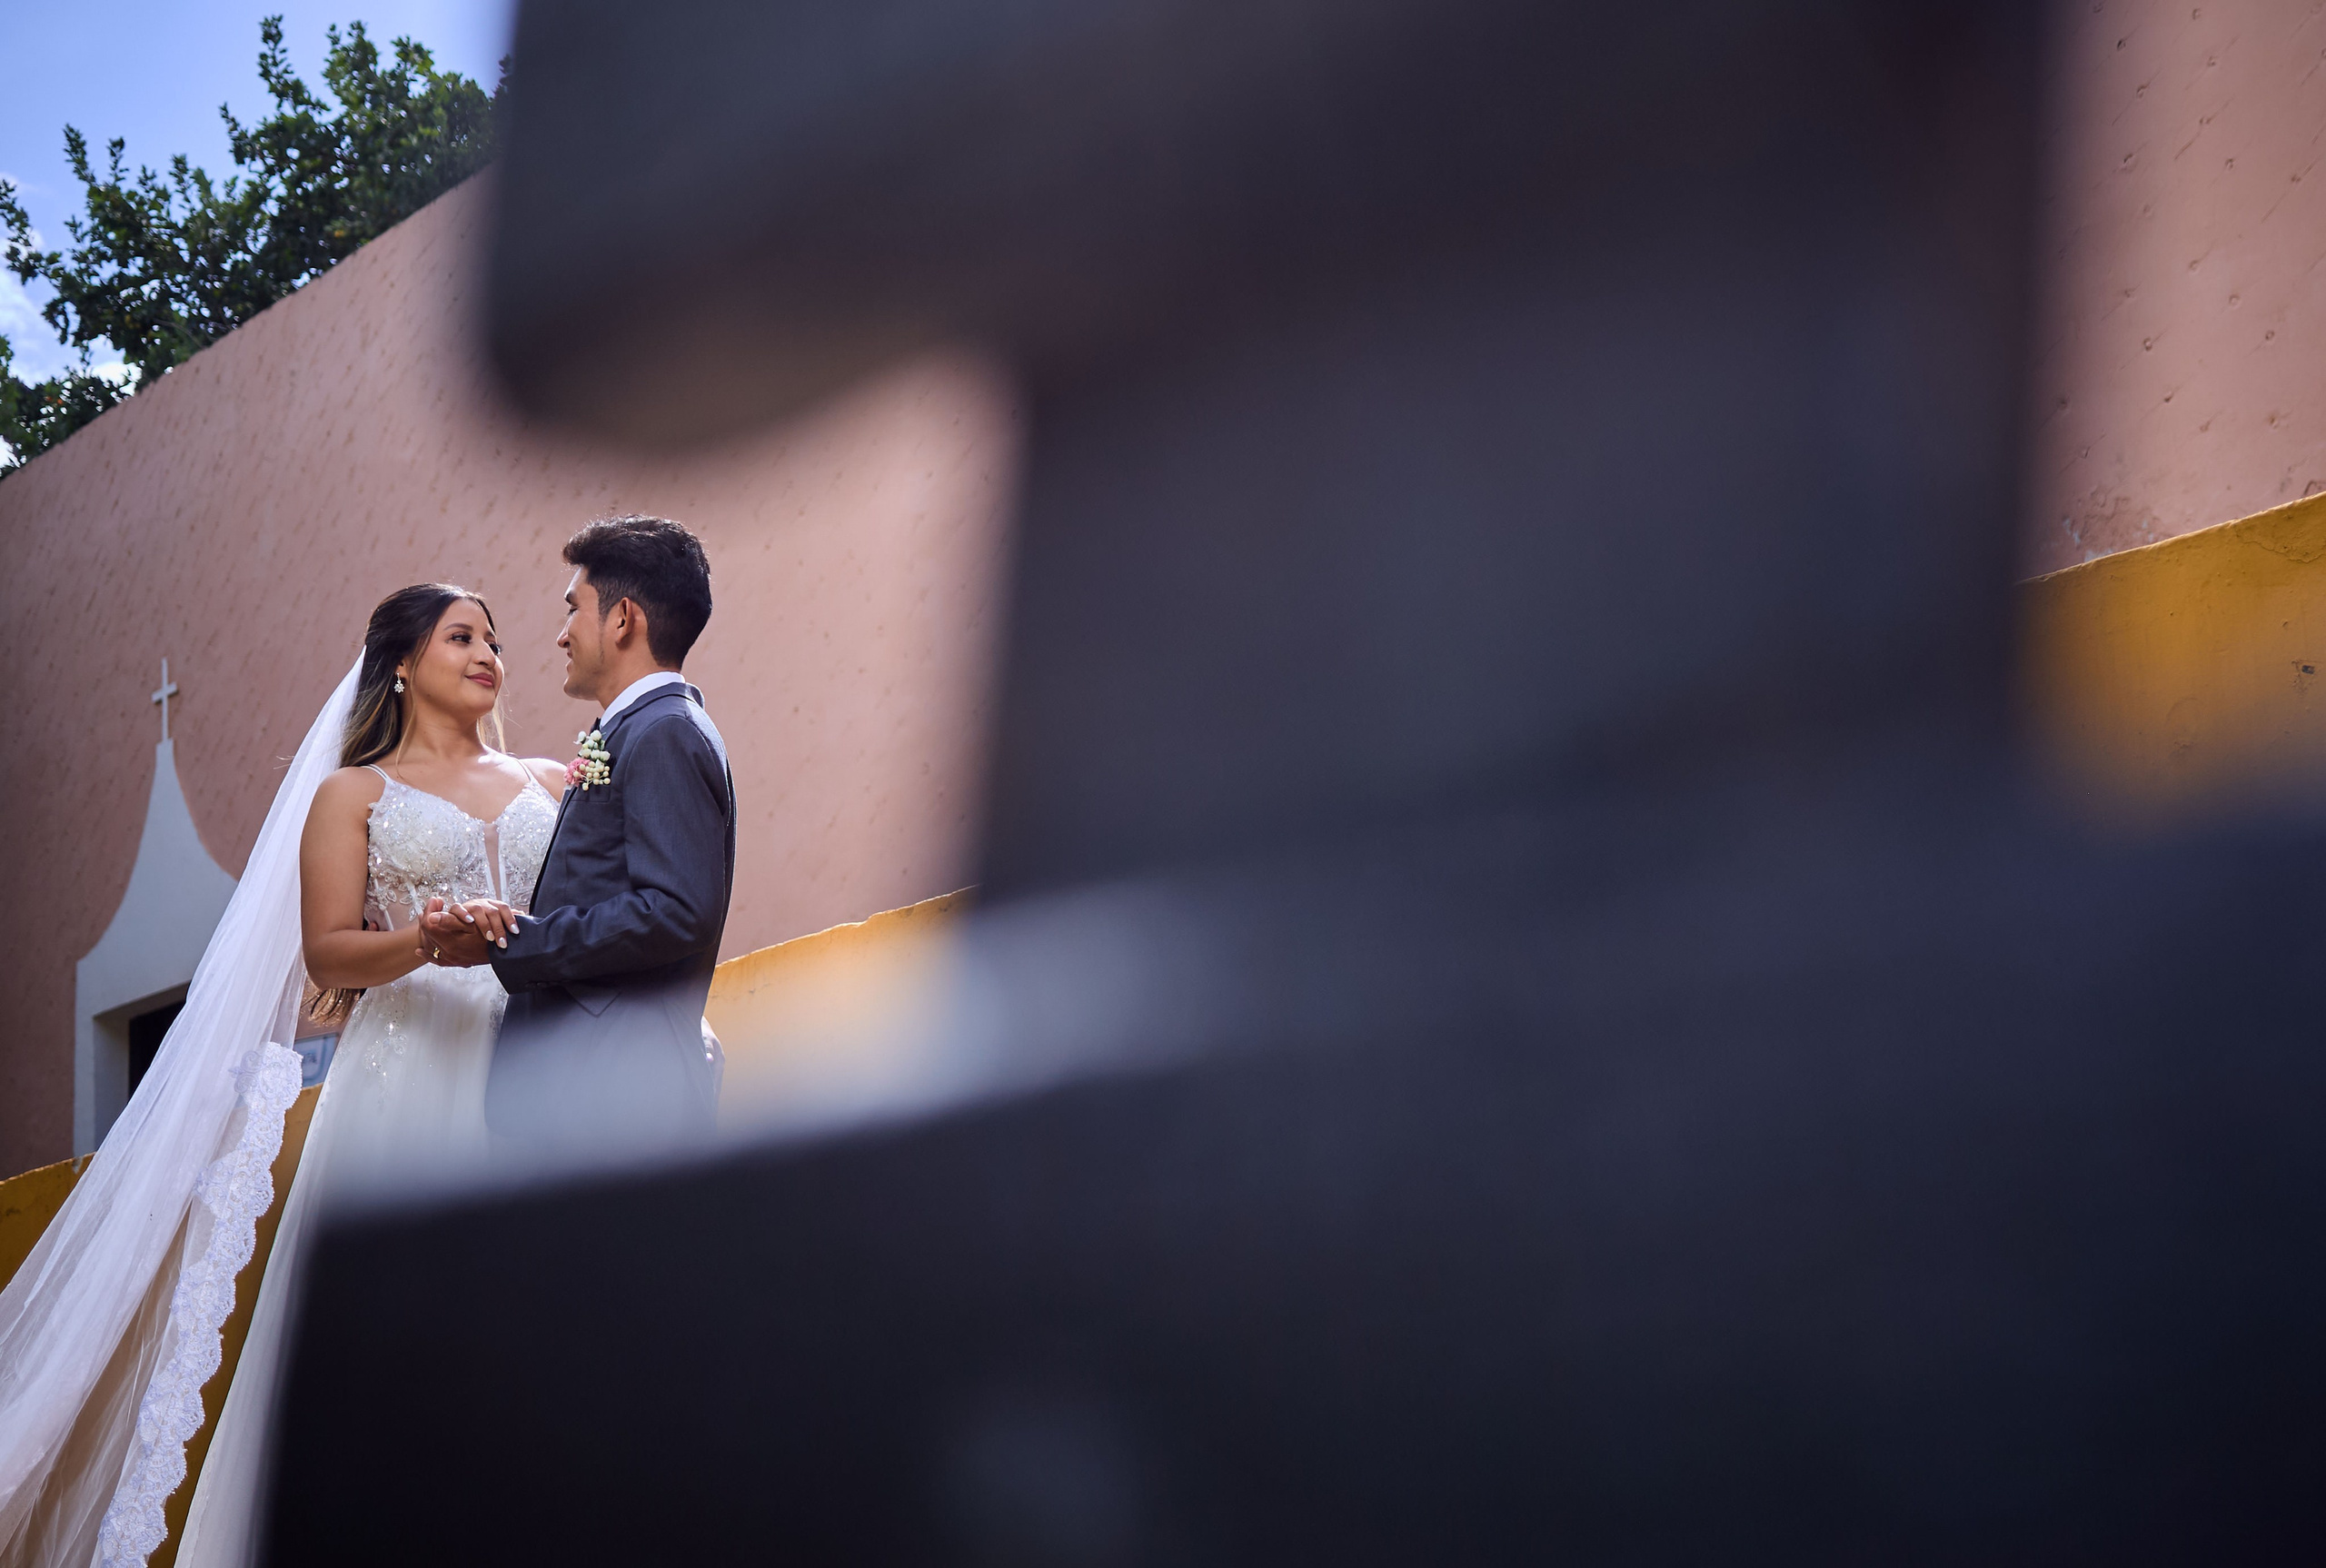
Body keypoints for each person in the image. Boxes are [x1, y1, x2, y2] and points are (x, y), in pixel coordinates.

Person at [0, 581, 568, 1568]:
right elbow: (329, 955)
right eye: (462, 636)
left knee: (542, 1340)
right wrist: (424, 944)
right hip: (407, 1077)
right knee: (406, 1358)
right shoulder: (353, 793)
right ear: (400, 663)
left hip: (540, 1065)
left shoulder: (550, 783)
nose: (490, 654)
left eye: (497, 640)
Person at [420, 514, 734, 1156]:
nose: (561, 635)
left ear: (622, 620)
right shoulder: (637, 731)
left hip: (618, 1100)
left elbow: (676, 913)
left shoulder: (663, 732)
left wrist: (512, 943)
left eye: (574, 609)